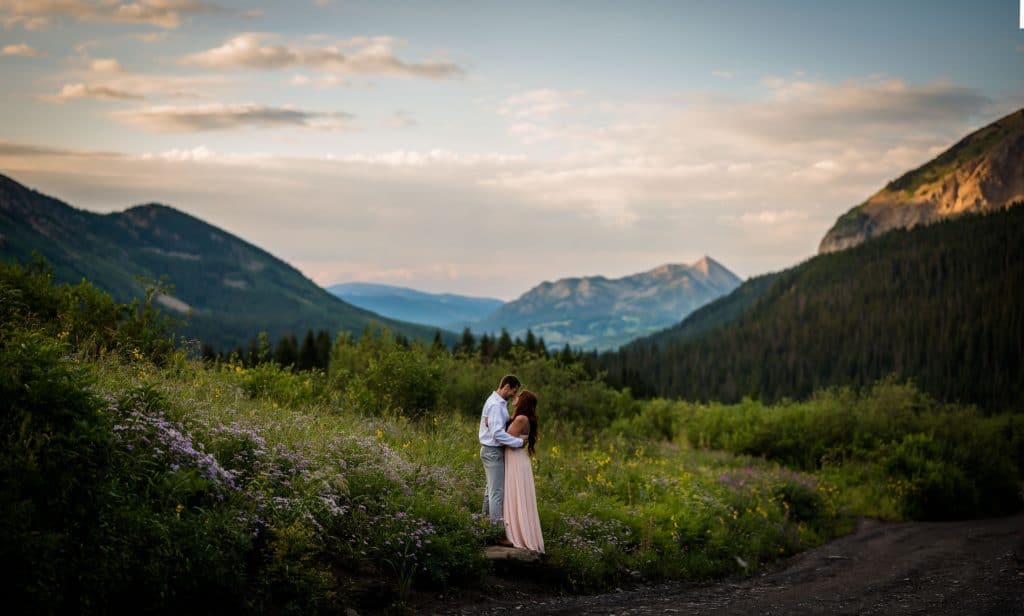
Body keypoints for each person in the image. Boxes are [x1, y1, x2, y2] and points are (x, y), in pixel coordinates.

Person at [479, 374, 526, 545]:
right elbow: (497, 434)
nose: (514, 395)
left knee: (489, 492)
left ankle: (482, 525)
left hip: (491, 451)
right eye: (514, 391)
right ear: (506, 386)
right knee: (496, 493)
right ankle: (496, 534)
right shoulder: (495, 405)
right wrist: (518, 442)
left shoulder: (497, 403)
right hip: (493, 451)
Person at [503, 390, 544, 553]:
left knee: (515, 494)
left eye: (518, 396)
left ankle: (516, 535)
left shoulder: (521, 419)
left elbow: (505, 439)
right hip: (518, 459)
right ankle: (520, 530)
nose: (515, 397)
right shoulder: (522, 418)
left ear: (523, 402)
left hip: (515, 459)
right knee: (516, 495)